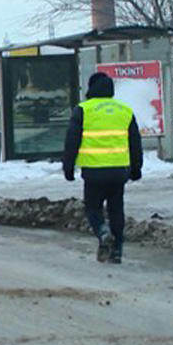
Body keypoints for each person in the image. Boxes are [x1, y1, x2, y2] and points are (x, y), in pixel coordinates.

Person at [63, 72, 143, 263]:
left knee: (93, 209)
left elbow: (71, 141)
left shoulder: (83, 110)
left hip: (93, 172)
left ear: (91, 88)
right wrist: (136, 167)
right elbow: (135, 142)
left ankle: (102, 231)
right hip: (118, 171)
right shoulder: (125, 110)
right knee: (116, 210)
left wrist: (68, 167)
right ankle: (116, 252)